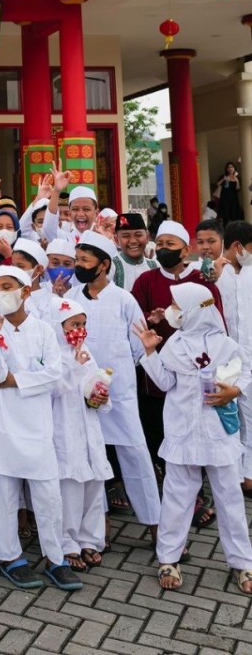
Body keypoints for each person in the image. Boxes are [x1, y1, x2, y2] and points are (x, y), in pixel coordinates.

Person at [135, 282, 252, 595]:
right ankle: (168, 558)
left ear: (193, 309)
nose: (173, 310)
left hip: (218, 434)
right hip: (183, 432)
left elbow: (245, 371)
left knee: (230, 498)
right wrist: (150, 351)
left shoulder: (226, 344)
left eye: (177, 305)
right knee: (177, 496)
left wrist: (236, 390)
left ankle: (242, 561)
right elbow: (163, 382)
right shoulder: (174, 344)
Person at [0, 269, 78, 592]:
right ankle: (10, 558)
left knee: (48, 495)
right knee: (3, 494)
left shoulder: (45, 331)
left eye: (7, 287)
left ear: (24, 290)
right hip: (1, 424)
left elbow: (53, 374)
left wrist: (16, 380)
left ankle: (55, 558)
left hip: (35, 425)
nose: (1, 293)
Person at [69, 233, 161, 533]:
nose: (79, 265)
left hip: (119, 394)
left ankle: (156, 524)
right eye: (77, 259)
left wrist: (111, 378)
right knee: (88, 456)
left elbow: (138, 348)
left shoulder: (124, 299)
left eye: (85, 260)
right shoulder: (70, 300)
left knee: (135, 453)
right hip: (80, 395)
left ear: (104, 264)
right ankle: (97, 525)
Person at [132, 220, 222, 483]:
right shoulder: (145, 281)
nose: (163, 249)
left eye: (170, 244)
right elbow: (136, 322)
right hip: (158, 374)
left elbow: (217, 325)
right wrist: (152, 320)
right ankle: (164, 479)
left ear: (185, 250)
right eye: (159, 244)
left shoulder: (201, 281)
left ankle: (199, 483)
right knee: (160, 429)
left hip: (198, 374)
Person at [49, 297, 113, 571]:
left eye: (83, 324)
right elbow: (54, 389)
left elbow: (94, 382)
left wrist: (99, 395)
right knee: (70, 488)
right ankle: (67, 543)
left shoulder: (84, 349)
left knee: (94, 484)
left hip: (89, 426)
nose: (80, 330)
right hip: (64, 427)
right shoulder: (51, 353)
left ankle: (90, 539)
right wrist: (74, 365)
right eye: (74, 324)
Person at [222, 221, 252, 493]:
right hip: (229, 358)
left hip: (249, 354)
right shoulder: (218, 274)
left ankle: (248, 472)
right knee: (234, 416)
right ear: (238, 247)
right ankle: (237, 471)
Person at [112, 213, 157, 291]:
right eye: (126, 236)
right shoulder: (111, 267)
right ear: (116, 240)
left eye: (138, 235)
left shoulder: (155, 266)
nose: (133, 241)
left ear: (147, 237)